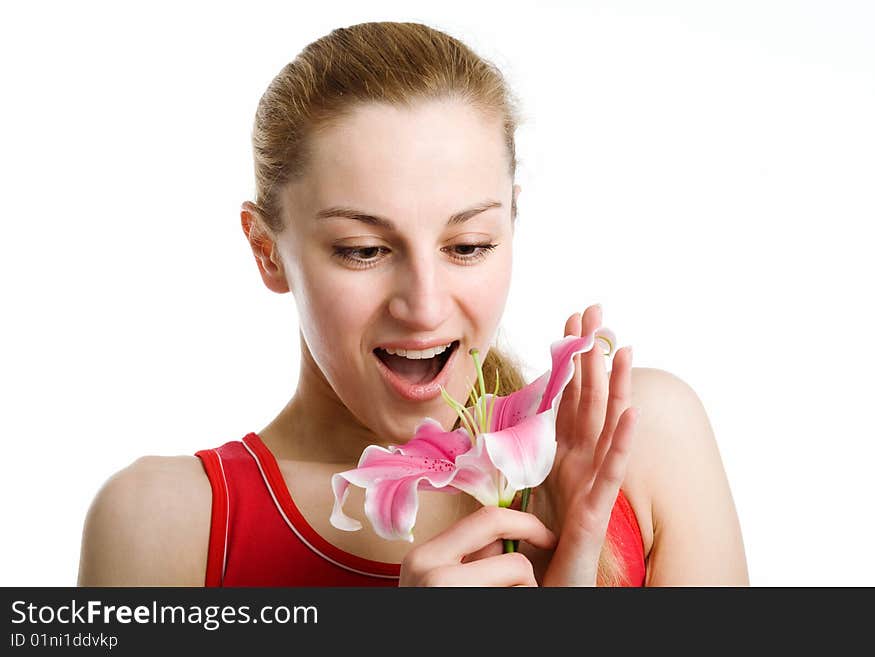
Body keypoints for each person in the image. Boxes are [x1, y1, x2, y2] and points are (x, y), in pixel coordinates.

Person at [77, 21, 748, 587]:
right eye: (364, 250)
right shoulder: (161, 526)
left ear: (511, 223)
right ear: (267, 250)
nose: (425, 308)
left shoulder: (634, 440)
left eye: (468, 244)